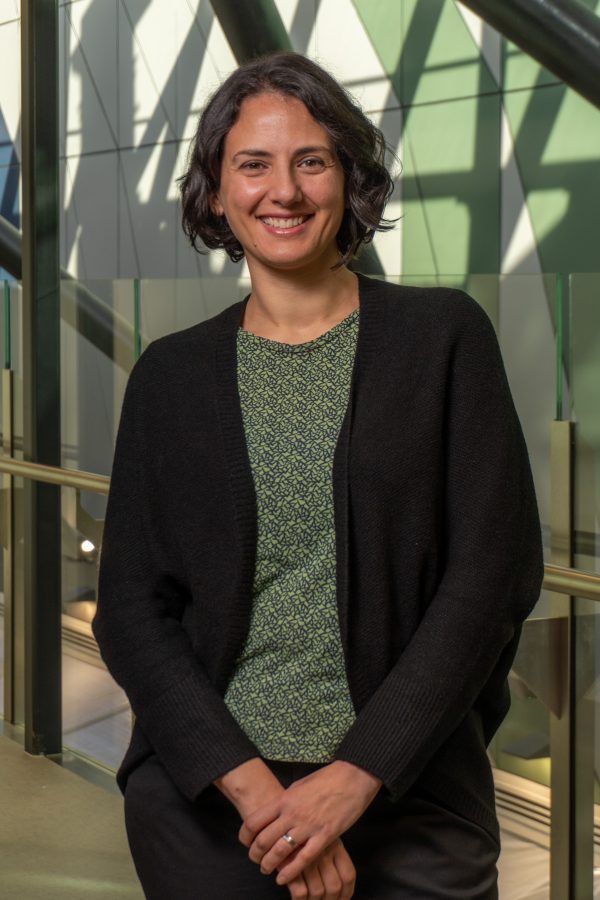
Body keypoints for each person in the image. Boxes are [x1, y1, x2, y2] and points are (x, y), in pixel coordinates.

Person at [92, 51, 544, 900]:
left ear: (349, 177)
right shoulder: (170, 376)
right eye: (252, 164)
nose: (284, 191)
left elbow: (491, 574)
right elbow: (130, 609)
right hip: (217, 791)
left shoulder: (444, 339)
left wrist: (353, 778)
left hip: (408, 787)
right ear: (217, 193)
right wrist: (263, 798)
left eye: (312, 160)